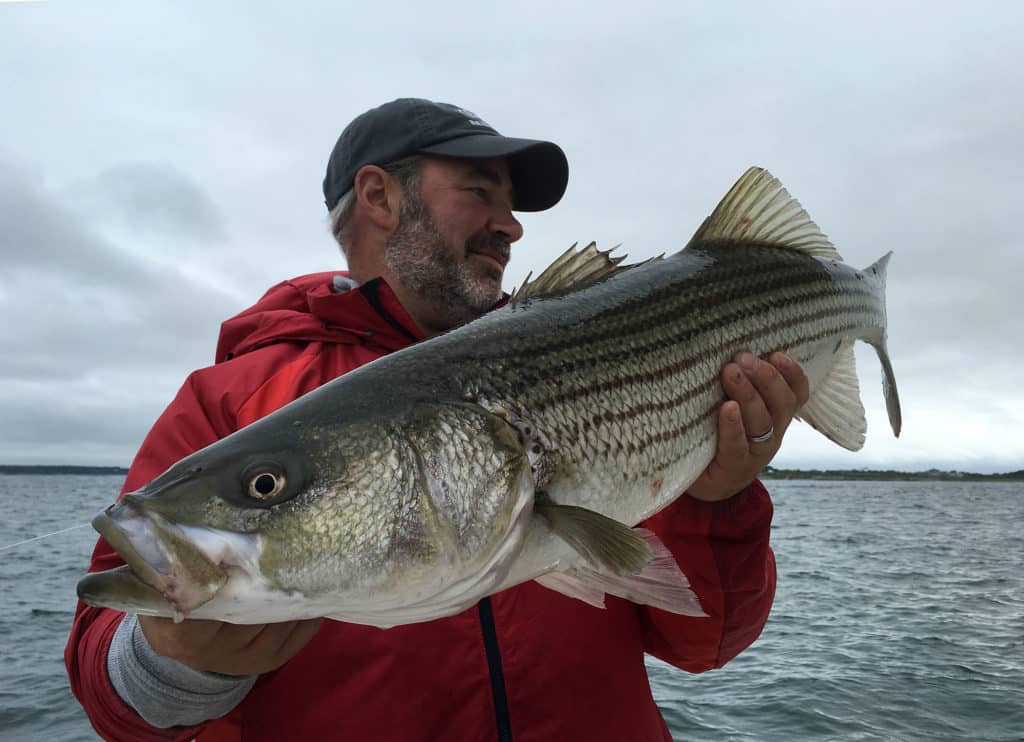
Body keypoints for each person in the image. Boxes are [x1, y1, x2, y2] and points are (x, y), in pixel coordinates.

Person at [66, 98, 809, 742]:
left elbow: (706, 642)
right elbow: (114, 696)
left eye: (510, 204)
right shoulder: (232, 398)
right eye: (480, 191)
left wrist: (721, 497)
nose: (510, 226)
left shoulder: (591, 356)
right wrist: (176, 661)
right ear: (379, 196)